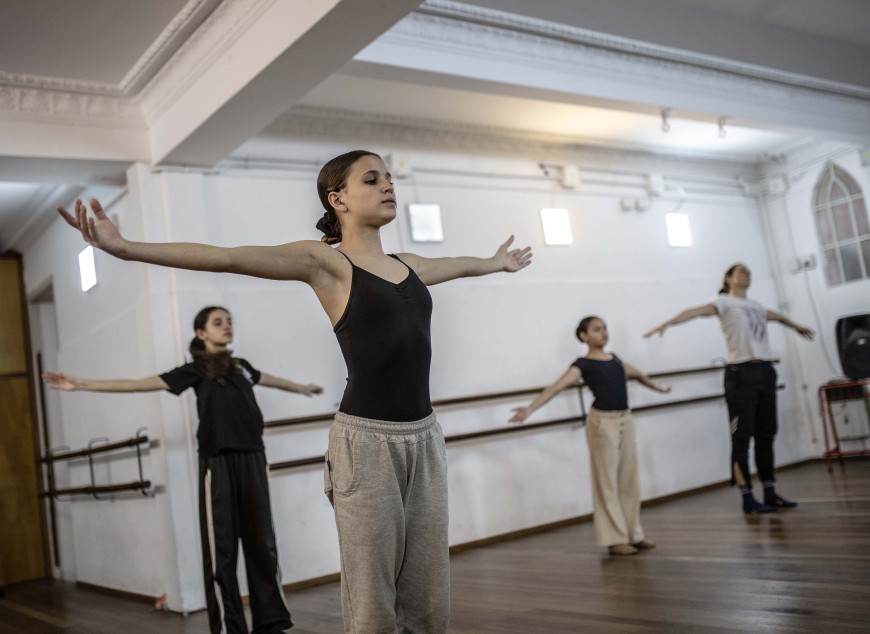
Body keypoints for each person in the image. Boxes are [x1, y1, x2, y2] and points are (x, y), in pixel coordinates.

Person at [55, 149, 532, 633]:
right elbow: (227, 257)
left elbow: (457, 265)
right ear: (337, 198)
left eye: (389, 178)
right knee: (372, 593)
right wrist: (128, 248)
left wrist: (495, 263)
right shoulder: (326, 263)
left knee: (428, 590)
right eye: (372, 179)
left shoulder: (407, 265)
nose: (388, 185)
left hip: (425, 437)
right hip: (366, 443)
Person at [44, 305, 321, 634]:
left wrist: (301, 388)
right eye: (218, 323)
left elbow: (269, 379)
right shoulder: (194, 371)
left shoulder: (242, 367)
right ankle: (230, 628)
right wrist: (82, 383)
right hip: (217, 463)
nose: (227, 326)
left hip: (253, 459)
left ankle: (272, 623)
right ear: (201, 333)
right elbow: (137, 384)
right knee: (223, 551)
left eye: (229, 321)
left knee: (263, 544)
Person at [643, 263, 814, 514]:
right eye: (740, 271)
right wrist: (668, 323)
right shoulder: (723, 302)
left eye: (749, 271)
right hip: (740, 375)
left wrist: (796, 325)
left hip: (765, 372)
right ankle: (747, 496)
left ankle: (769, 491)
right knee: (741, 438)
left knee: (766, 435)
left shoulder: (755, 306)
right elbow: (694, 311)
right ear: (728, 278)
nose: (746, 273)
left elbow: (775, 315)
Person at [510, 316, 670, 556]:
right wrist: (530, 409)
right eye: (597, 329)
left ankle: (633, 534)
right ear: (584, 336)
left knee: (628, 479)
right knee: (606, 482)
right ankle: (615, 539)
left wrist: (657, 387)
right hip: (602, 424)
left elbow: (636, 374)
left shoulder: (615, 359)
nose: (603, 333)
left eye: (605, 328)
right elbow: (556, 387)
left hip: (625, 419)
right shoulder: (582, 364)